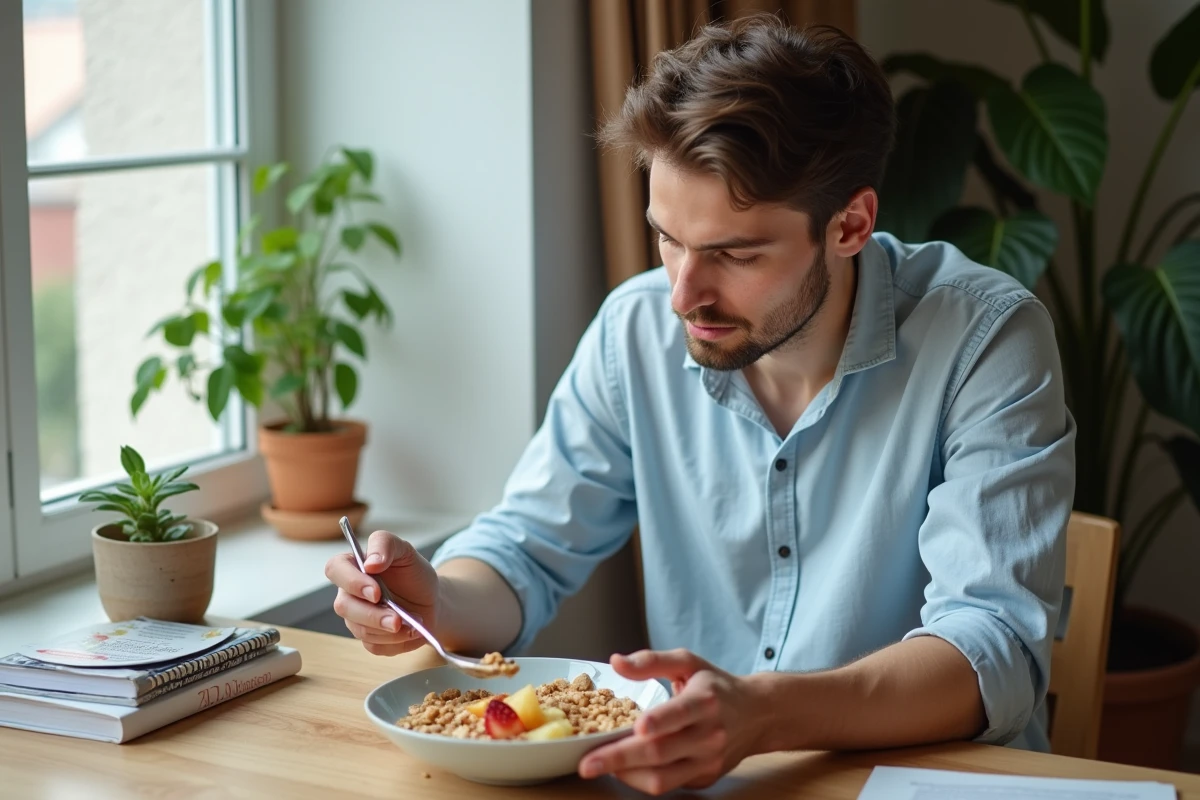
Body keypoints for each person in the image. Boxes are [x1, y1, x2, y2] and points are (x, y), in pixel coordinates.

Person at [324, 14, 1074, 795]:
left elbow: (993, 647)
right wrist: (437, 600)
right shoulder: (634, 329)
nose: (683, 294)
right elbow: (525, 549)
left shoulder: (986, 336)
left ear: (850, 224)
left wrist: (766, 713)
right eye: (667, 239)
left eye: (735, 254)